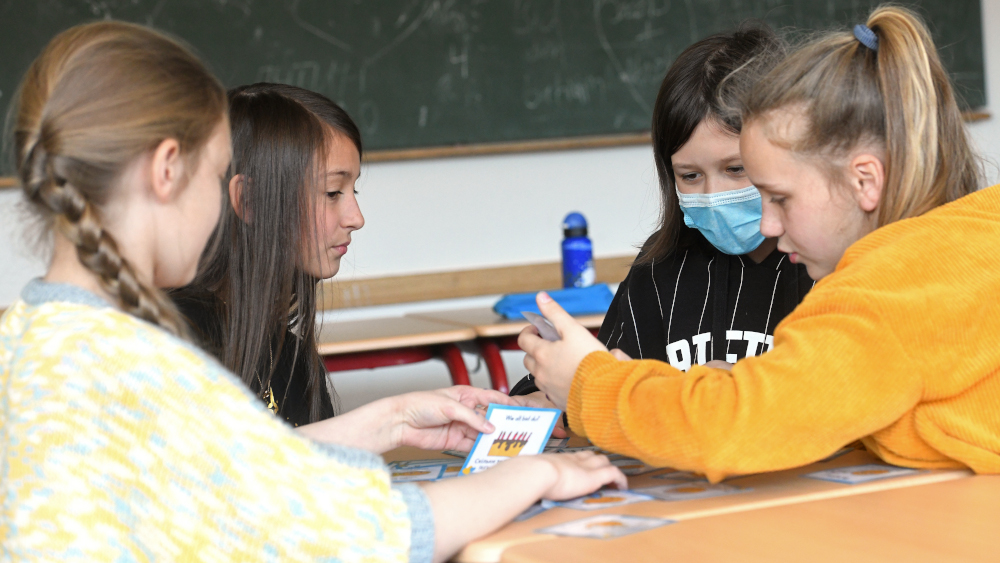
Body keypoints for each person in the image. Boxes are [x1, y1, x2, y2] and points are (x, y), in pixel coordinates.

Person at [0, 21, 625, 561]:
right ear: (167, 171)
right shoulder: (143, 365)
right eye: (216, 176)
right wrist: (539, 471)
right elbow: (366, 538)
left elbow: (225, 471)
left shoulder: (31, 340)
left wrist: (393, 417)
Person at [517, 6, 1000, 482]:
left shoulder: (890, 290)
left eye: (780, 198)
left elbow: (730, 429)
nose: (767, 224)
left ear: (865, 181)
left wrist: (589, 384)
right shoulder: (968, 236)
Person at [509, 23, 812, 401]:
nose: (713, 195)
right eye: (690, 175)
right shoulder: (661, 267)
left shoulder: (827, 265)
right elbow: (608, 375)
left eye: (736, 169)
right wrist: (542, 394)